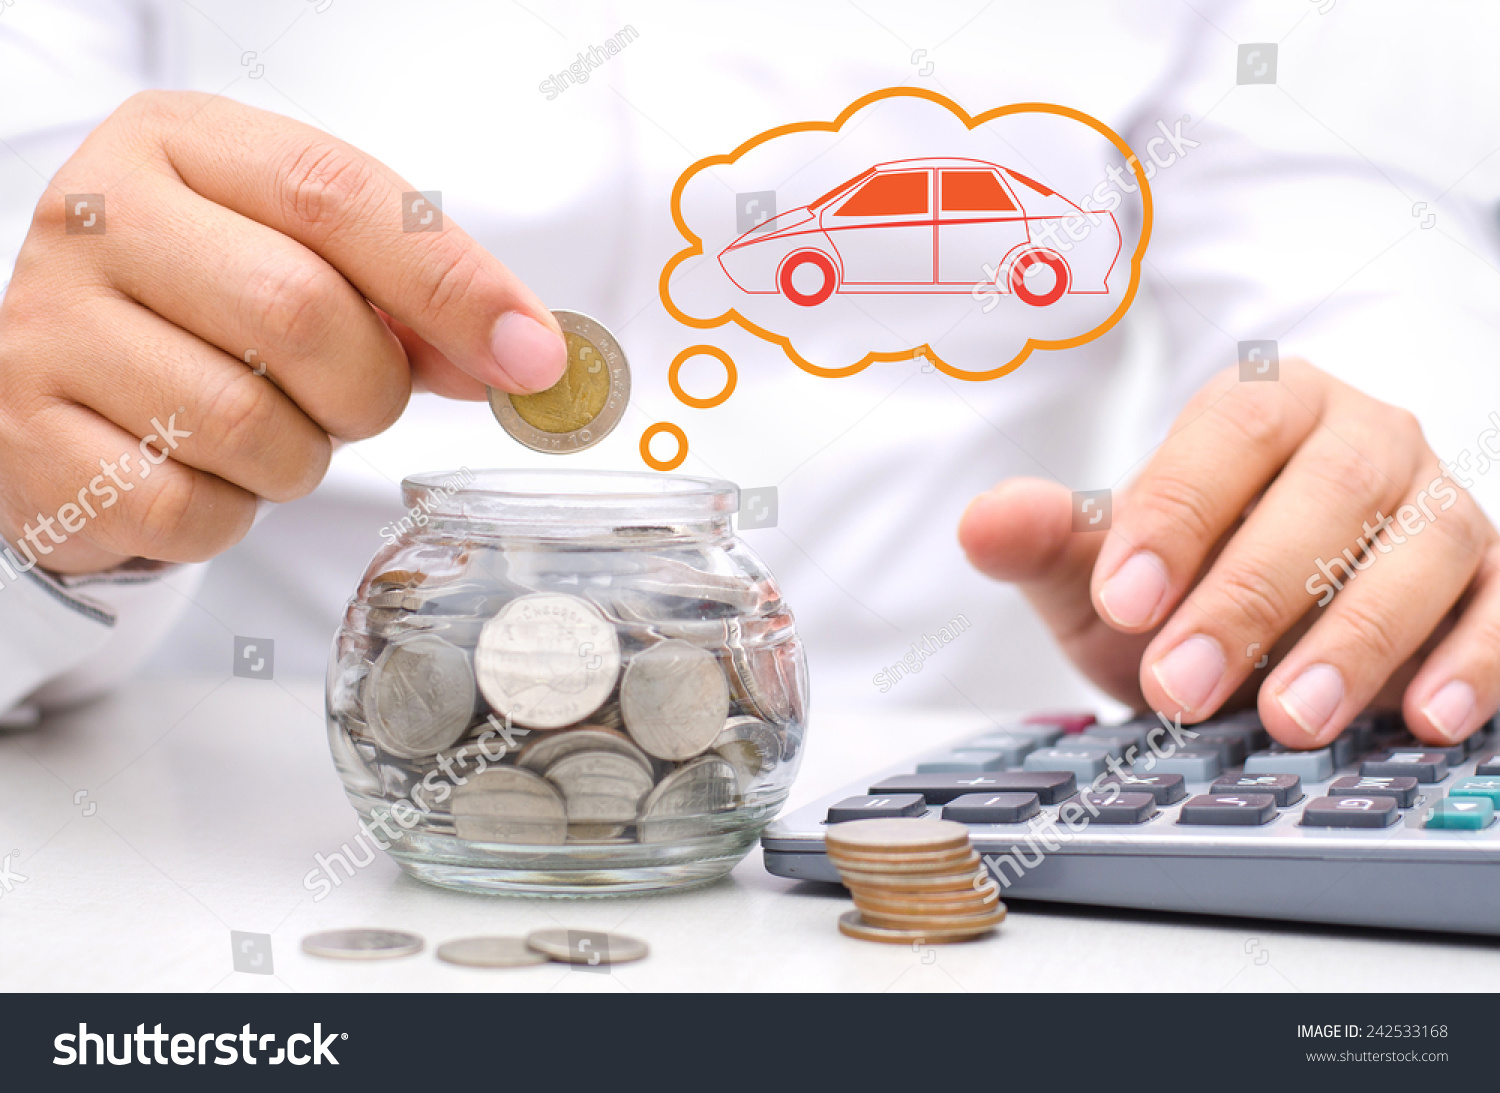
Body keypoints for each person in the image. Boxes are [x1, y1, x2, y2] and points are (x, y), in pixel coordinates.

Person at [2, 0, 1498, 750]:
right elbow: (45, 296)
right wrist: (44, 505)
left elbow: (1377, 267)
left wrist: (1317, 563)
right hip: (243, 810)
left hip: (948, 861)